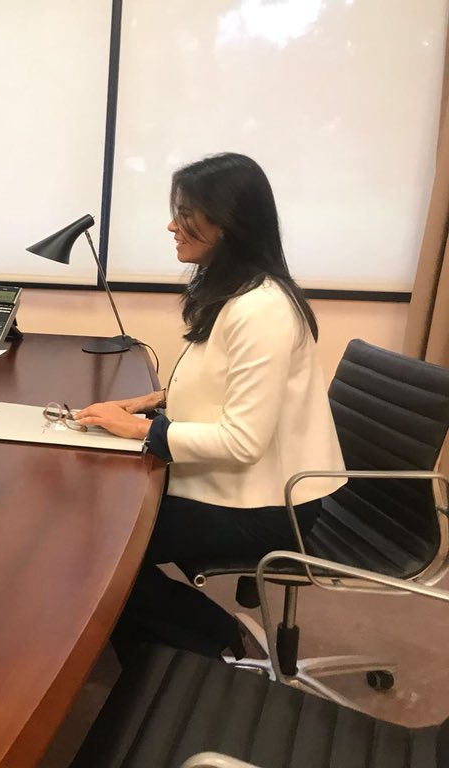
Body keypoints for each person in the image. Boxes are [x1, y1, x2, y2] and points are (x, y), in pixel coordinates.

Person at [75, 152, 345, 661]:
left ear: (227, 225)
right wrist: (153, 401)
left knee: (100, 549)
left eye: (186, 214)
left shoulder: (260, 309)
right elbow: (228, 381)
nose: (171, 225)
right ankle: (156, 656)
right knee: (97, 530)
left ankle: (214, 644)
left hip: (268, 507)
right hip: (245, 485)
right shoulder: (231, 290)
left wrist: (139, 430)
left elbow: (242, 441)